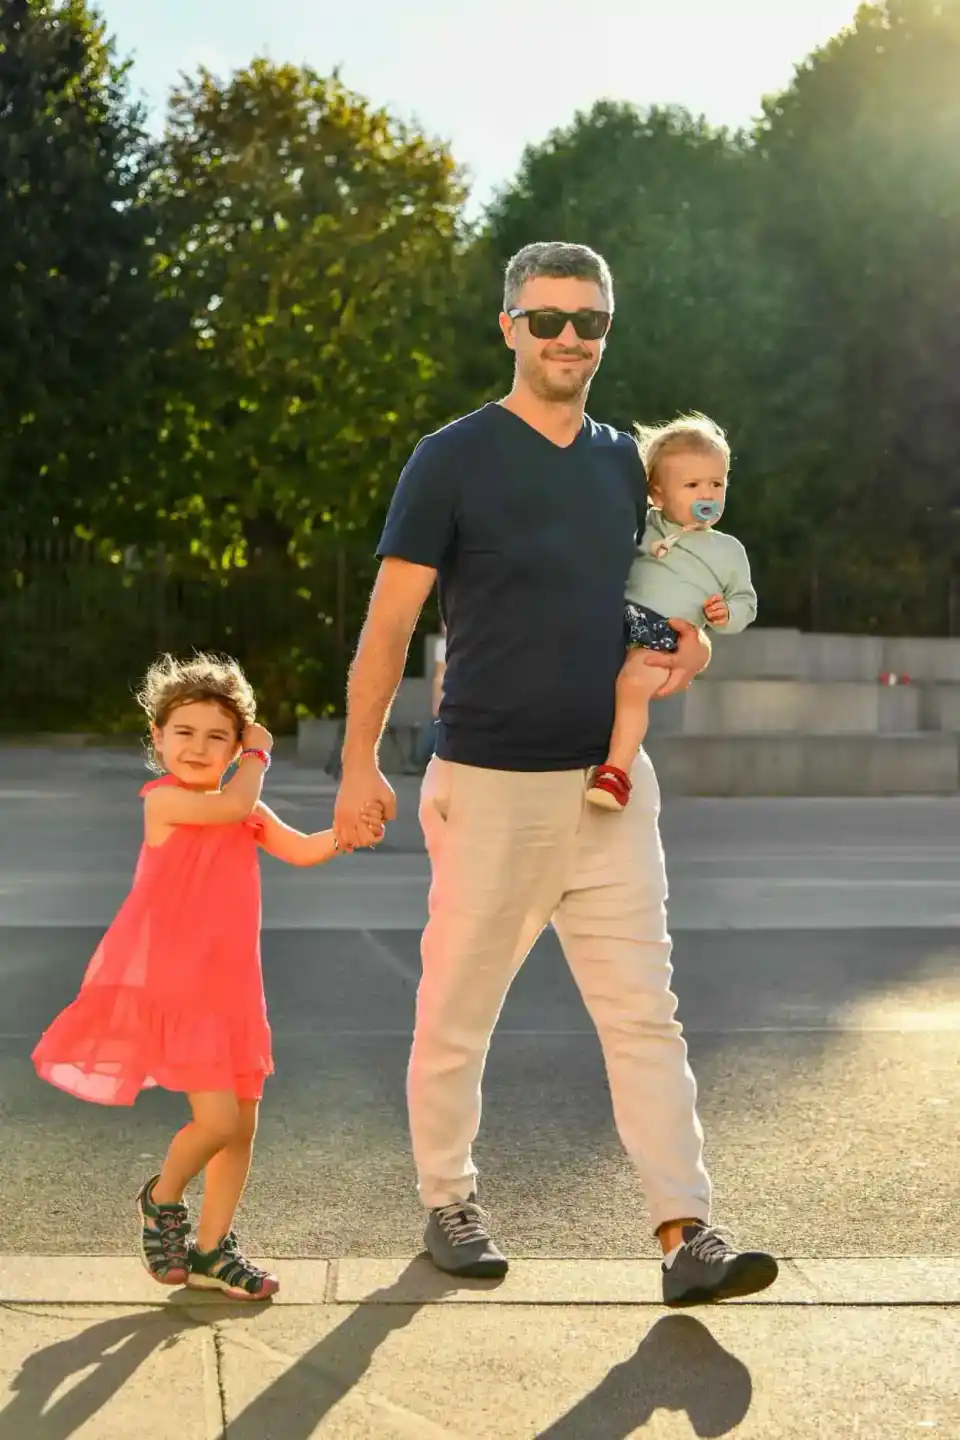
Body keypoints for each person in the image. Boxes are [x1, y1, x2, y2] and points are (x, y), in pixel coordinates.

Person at [334, 241, 779, 1307]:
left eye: (589, 320)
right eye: (548, 319)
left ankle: (685, 1229)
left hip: (609, 788)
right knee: (457, 1008)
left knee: (645, 1015)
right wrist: (358, 766)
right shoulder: (451, 459)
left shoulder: (624, 463)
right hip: (489, 785)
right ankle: (449, 1198)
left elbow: (659, 593)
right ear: (509, 329)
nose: (569, 337)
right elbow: (390, 621)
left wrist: (694, 647)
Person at [32, 652, 383, 1300]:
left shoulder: (240, 806)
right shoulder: (167, 802)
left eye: (217, 736)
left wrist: (347, 832)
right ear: (157, 740)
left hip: (232, 992)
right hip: (178, 989)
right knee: (217, 1122)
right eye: (183, 733)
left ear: (233, 744)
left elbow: (302, 849)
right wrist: (257, 755)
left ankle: (212, 1251)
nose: (198, 747)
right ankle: (162, 1198)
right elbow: (230, 805)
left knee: (243, 1127)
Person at [587, 413, 757, 811]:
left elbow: (746, 602)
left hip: (665, 634)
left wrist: (724, 614)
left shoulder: (728, 551)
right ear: (658, 495)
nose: (707, 495)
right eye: (693, 485)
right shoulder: (645, 526)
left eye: (717, 484)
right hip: (618, 617)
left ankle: (616, 773)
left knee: (632, 684)